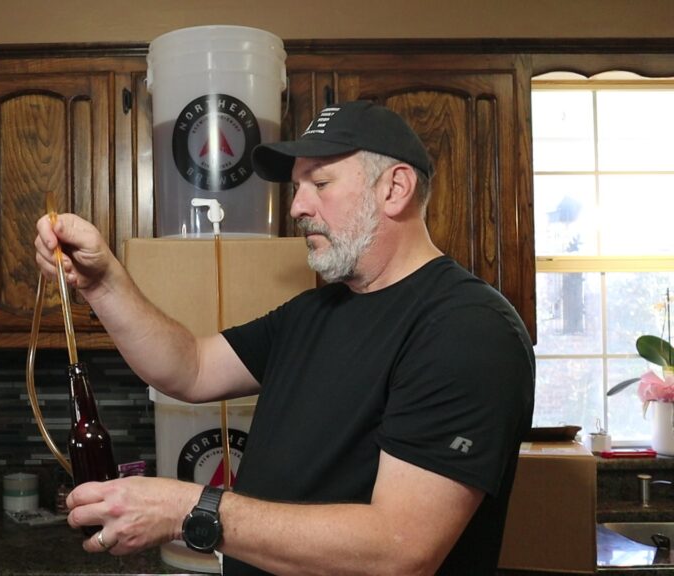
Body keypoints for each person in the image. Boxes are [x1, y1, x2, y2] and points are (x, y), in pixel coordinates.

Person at [33, 100, 534, 575]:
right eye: (298, 187)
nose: (297, 207)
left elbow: (400, 549)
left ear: (394, 188)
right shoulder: (315, 312)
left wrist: (188, 508)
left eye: (320, 182)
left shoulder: (467, 330)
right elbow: (190, 368)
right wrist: (103, 283)